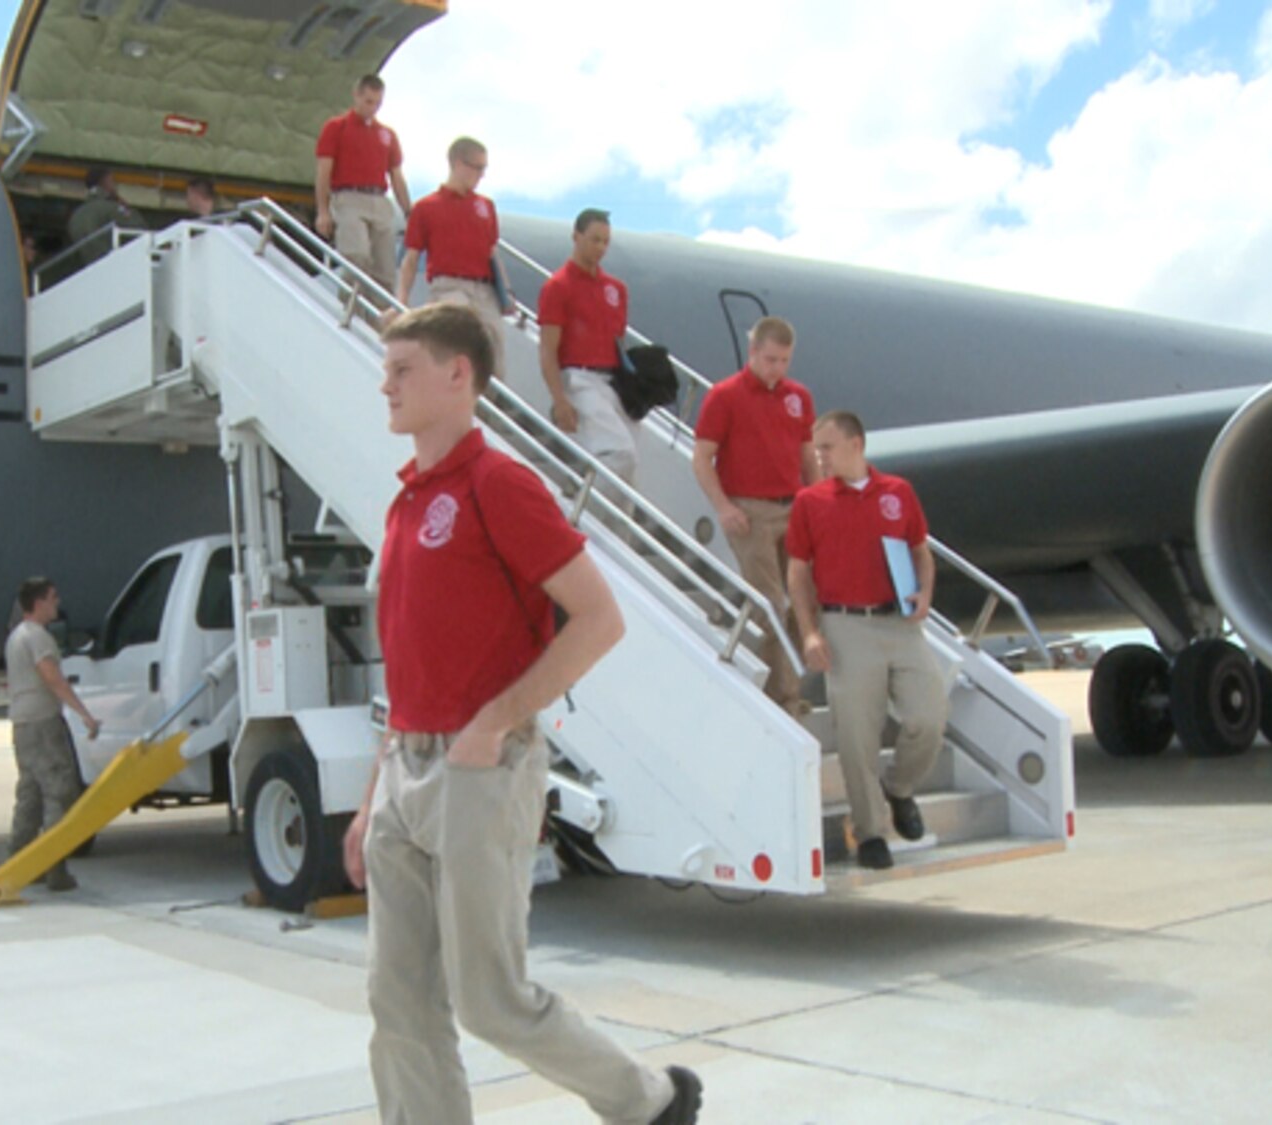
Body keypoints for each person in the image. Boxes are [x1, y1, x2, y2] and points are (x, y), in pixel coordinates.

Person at [344, 303, 702, 1125]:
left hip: (482, 770)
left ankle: (649, 1101)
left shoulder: (498, 484)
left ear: (457, 373)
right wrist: (372, 799)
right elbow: (409, 665)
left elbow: (600, 618)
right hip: (406, 769)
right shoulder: (404, 503)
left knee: (489, 998)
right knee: (396, 1002)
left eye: (402, 369)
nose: (384, 383)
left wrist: (496, 720)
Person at [784, 411, 945, 872]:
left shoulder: (898, 493)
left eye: (828, 447)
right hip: (845, 624)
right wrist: (810, 631)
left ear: (856, 444)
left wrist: (926, 592)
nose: (819, 455)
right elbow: (797, 571)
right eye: (817, 447)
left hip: (898, 622)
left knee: (928, 717)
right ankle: (871, 830)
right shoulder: (810, 502)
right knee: (856, 735)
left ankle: (899, 789)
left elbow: (920, 549)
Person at [692, 316, 816, 712]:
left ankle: (785, 687)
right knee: (772, 601)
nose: (776, 368)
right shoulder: (725, 396)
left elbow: (806, 456)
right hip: (750, 510)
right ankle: (781, 696)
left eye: (783, 360)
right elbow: (702, 457)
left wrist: (815, 504)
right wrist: (724, 507)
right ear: (752, 353)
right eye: (769, 359)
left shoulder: (798, 397)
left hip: (792, 505)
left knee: (802, 600)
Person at [6, 577, 102, 892]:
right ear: (39, 602)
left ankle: (19, 863)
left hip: (21, 725)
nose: (57, 603)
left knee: (29, 797)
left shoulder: (15, 637)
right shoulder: (39, 638)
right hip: (44, 725)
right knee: (59, 793)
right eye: (52, 598)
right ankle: (55, 868)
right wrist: (84, 714)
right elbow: (54, 679)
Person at [538, 209, 637, 482]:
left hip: (611, 382)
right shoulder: (558, 286)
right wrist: (559, 399)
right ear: (576, 236)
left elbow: (618, 341)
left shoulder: (616, 289)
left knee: (629, 470)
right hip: (579, 379)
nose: (601, 248)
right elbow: (547, 349)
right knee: (620, 454)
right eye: (594, 240)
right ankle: (583, 507)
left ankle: (612, 523)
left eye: (605, 241)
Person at [396, 136, 508, 374]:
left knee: (493, 354)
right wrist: (401, 299)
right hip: (449, 285)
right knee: (462, 341)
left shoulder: (486, 206)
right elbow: (411, 258)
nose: (480, 175)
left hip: (484, 289)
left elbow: (492, 253)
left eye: (483, 169)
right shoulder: (426, 207)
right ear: (458, 164)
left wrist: (505, 294)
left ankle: (486, 408)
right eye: (476, 167)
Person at [314, 73, 410, 293]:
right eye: (368, 101)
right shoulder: (336, 127)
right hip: (349, 197)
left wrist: (408, 210)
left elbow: (396, 175)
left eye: (378, 103)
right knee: (357, 256)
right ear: (356, 96)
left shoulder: (387, 134)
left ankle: (377, 324)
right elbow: (323, 171)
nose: (373, 108)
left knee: (385, 269)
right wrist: (322, 210)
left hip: (379, 199)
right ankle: (352, 312)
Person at [67, 165, 145, 268]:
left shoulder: (76, 215)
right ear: (107, 181)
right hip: (110, 268)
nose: (115, 186)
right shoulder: (112, 208)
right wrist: (125, 206)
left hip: (84, 274)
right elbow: (139, 228)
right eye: (113, 181)